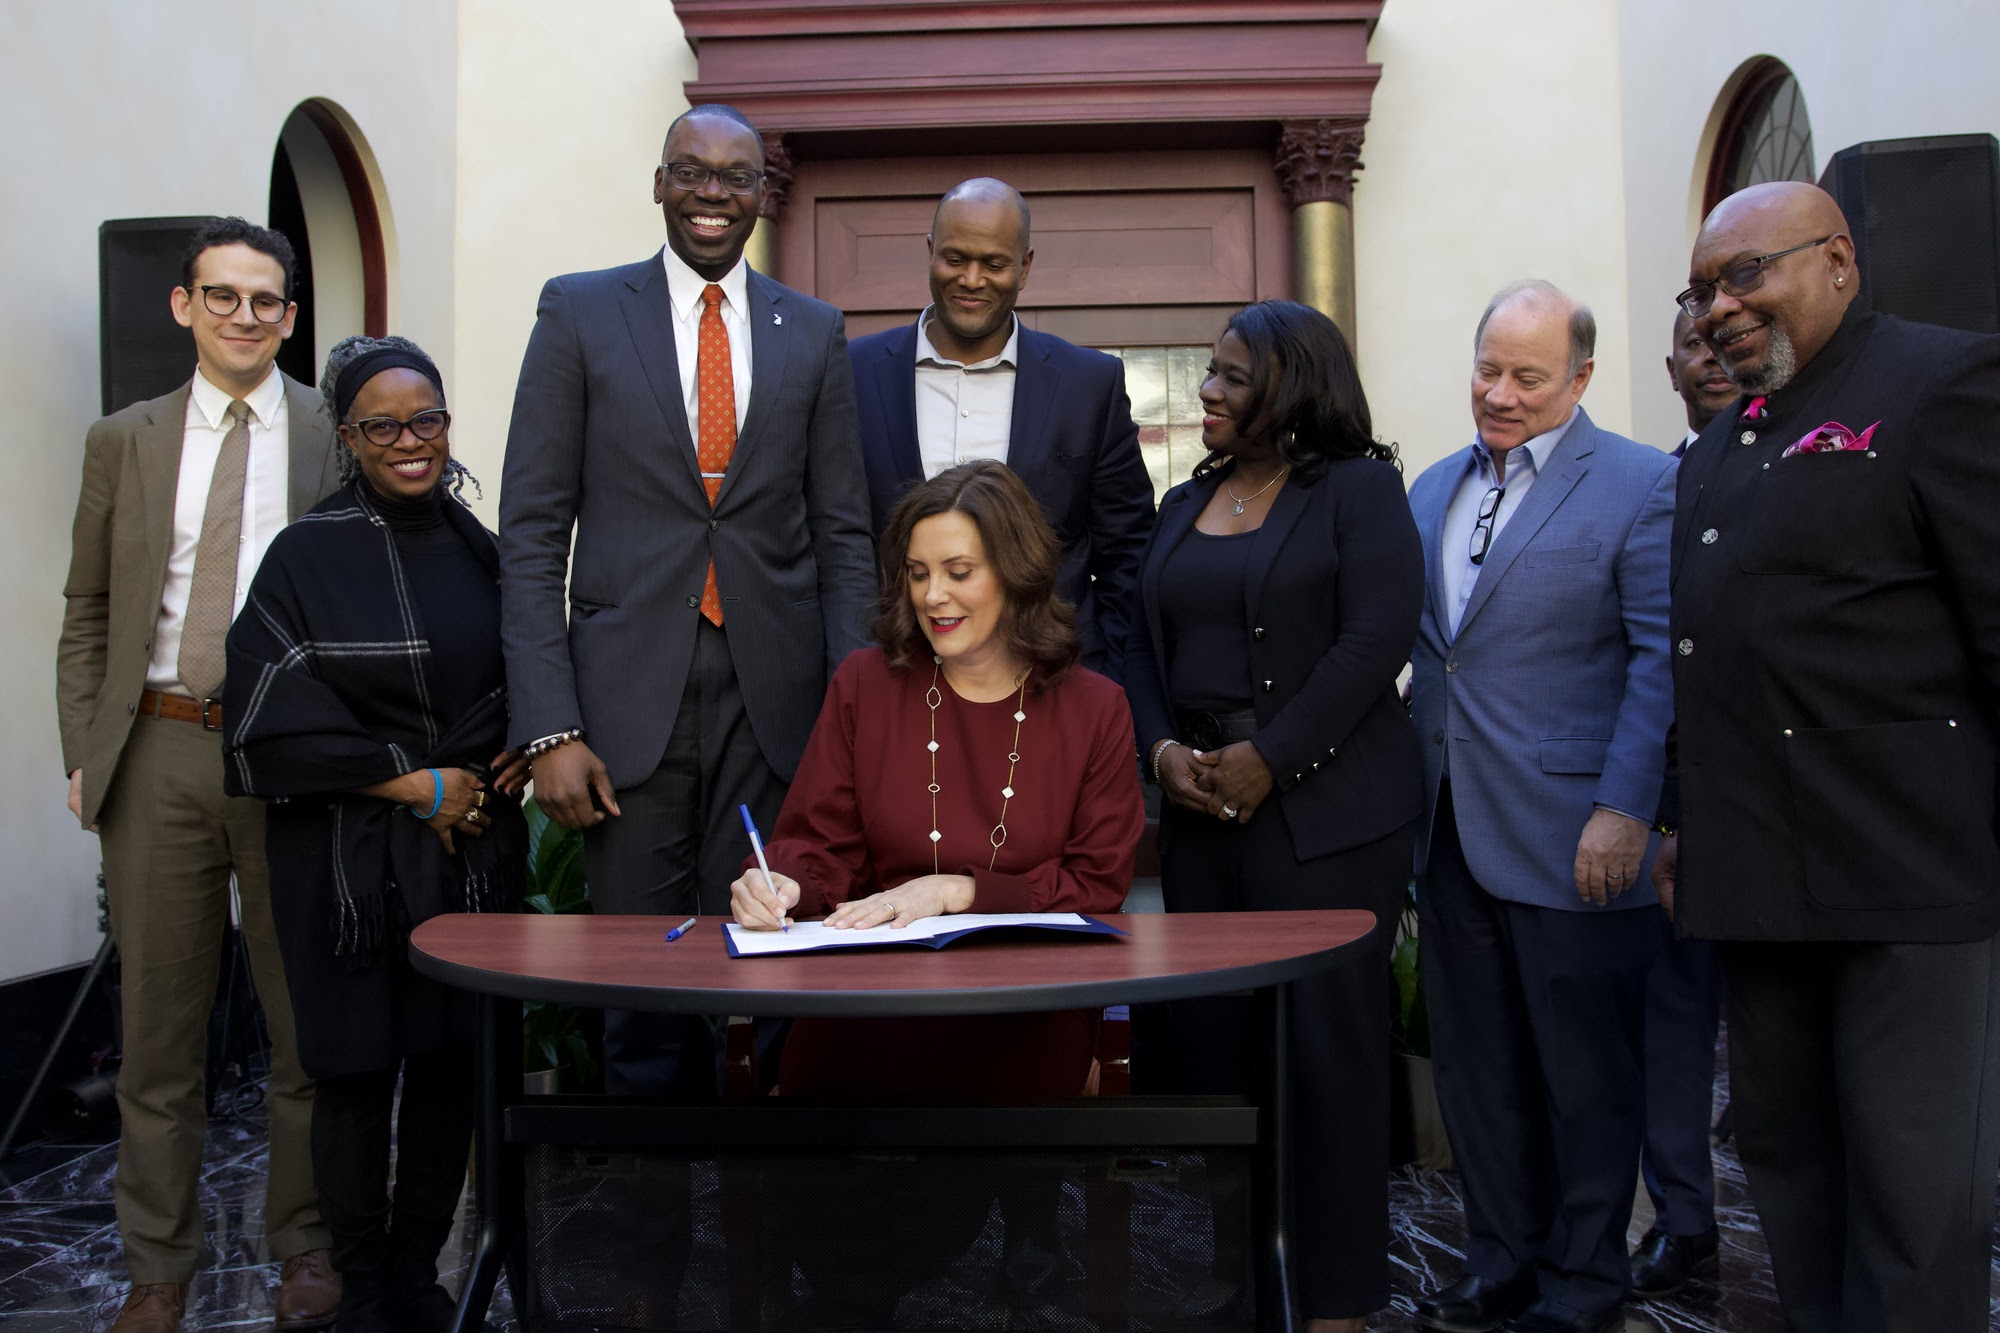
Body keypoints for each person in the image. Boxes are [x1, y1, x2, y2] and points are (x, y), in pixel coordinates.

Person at [1653, 180, 2000, 1333]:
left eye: (1745, 274)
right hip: (1756, 882)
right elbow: (1700, 660)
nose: (1717, 308)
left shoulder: (1939, 381)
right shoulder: (1716, 446)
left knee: (1911, 1210)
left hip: (1907, 878)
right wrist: (1673, 823)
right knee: (1793, 1188)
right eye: (1701, 289)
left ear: (1838, 259)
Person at [498, 101, 876, 1096]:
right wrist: (548, 728)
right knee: (642, 993)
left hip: (777, 707)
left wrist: (851, 710)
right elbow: (533, 531)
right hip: (624, 715)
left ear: (763, 192)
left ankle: (763, 1220)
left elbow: (842, 534)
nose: (713, 194)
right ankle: (649, 1236)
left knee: (772, 970)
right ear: (659, 183)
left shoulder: (815, 331)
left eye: (734, 177)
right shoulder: (578, 312)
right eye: (691, 173)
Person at [728, 460, 1143, 1328]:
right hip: (874, 998)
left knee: (942, 1136)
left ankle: (900, 1277)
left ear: (1017, 572)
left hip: (1024, 1004)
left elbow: (1100, 884)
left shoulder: (1096, 707)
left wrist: (962, 888)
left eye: (959, 571)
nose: (934, 596)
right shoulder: (865, 685)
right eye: (918, 573)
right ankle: (856, 1294)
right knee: (817, 1100)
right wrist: (782, 879)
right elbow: (818, 837)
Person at [55, 217, 341, 1333]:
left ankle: (304, 1247)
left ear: (289, 316)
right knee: (159, 1032)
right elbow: (86, 609)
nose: (243, 317)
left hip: (288, 754)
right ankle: (156, 1270)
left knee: (300, 1022)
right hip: (159, 748)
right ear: (183, 305)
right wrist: (89, 744)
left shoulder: (330, 430)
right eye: (220, 296)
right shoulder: (122, 439)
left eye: (264, 301)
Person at [1124, 299, 1424, 1333]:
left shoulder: (1359, 492)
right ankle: (1240, 1279)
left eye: (1230, 376)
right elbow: (1135, 645)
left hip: (1328, 817)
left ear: (1291, 388)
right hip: (1202, 813)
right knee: (1220, 1056)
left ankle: (1333, 1302)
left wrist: (1272, 758)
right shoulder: (1179, 504)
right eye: (1208, 372)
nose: (1206, 389)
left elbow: (1376, 637)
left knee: (1325, 1067)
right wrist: (1160, 751)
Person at [221, 335, 527, 1332]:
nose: (411, 441)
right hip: (342, 870)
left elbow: (523, 681)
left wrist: (487, 774)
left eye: (427, 419)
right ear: (348, 437)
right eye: (383, 425)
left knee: (447, 1072)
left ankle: (416, 1279)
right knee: (353, 1077)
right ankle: (359, 1285)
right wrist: (416, 785)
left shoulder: (480, 547)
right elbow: (265, 719)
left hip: (466, 858)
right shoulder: (305, 555)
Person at [1406, 280, 1676, 1333]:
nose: (1499, 394)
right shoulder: (1430, 486)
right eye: (1486, 369)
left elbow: (1660, 661)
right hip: (1448, 825)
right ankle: (1499, 1261)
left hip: (1576, 835)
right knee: (1477, 1074)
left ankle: (1583, 1281)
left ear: (1581, 378)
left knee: (1581, 1081)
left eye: (1526, 376)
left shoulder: (1639, 483)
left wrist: (1626, 807)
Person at [849, 177, 1155, 680]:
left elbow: (1129, 554)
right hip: (896, 678)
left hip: (1050, 682)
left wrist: (1105, 679)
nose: (971, 280)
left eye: (994, 264)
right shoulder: (854, 373)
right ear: (929, 252)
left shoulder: (1089, 384)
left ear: (1025, 267)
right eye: (954, 258)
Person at [1624, 308, 1735, 1301]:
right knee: (1672, 1023)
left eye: (1718, 339)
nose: (1707, 358)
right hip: (1681, 809)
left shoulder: (1824, 465)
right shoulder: (1653, 488)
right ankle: (1684, 1219)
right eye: (1688, 347)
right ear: (1669, 368)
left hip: (1805, 807)